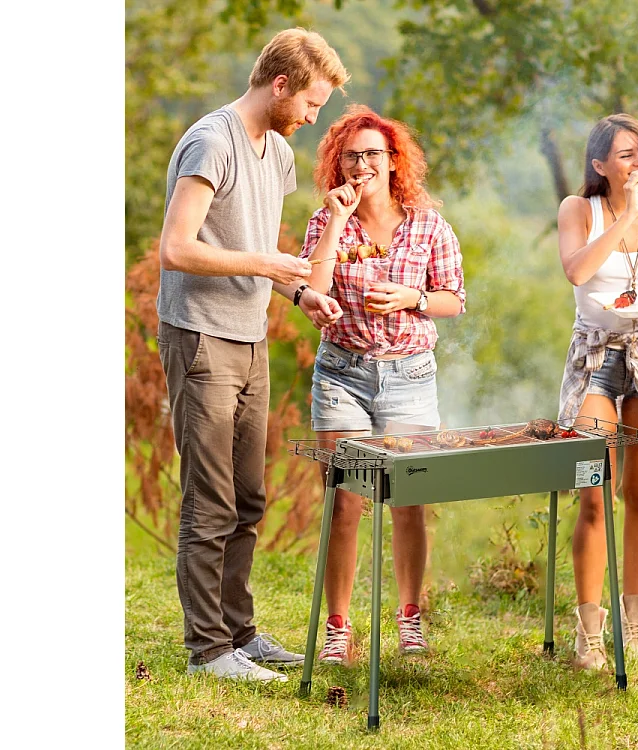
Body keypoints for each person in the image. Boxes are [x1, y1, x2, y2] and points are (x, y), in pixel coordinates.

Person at [156, 28, 350, 682]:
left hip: (249, 334)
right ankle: (208, 650)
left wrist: (297, 293)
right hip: (201, 334)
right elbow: (177, 248)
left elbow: (253, 247)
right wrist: (268, 262)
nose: (312, 117)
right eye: (311, 103)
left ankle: (240, 634)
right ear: (280, 84)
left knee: (247, 496)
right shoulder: (213, 142)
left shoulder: (277, 153)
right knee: (208, 498)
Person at [298, 104, 466, 665]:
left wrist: (411, 298)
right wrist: (338, 222)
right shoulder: (326, 221)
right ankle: (339, 628)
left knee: (408, 501)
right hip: (342, 373)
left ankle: (410, 619)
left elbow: (452, 299)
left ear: (393, 161)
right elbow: (311, 291)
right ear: (337, 162)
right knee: (345, 500)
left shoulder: (428, 224)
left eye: (373, 153)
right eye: (351, 155)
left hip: (409, 375)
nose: (362, 163)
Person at [556, 113, 638, 669]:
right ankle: (589, 632)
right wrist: (625, 213)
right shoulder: (578, 209)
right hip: (595, 357)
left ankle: (632, 629)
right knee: (593, 491)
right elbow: (578, 273)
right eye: (626, 155)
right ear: (600, 163)